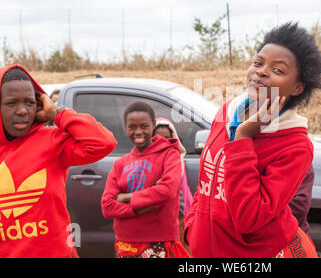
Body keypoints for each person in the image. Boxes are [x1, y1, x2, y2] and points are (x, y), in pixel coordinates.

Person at [183, 22, 321, 258]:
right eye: (258, 63)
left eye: (278, 70)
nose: (261, 71)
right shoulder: (226, 112)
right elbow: (206, 183)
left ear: (297, 87)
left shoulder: (296, 145)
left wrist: (243, 137)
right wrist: (192, 227)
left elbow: (250, 219)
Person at [0, 64, 117, 258]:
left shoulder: (51, 141)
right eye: (11, 103)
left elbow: (103, 142)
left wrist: (56, 112)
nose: (22, 111)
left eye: (29, 102)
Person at [101, 101, 190, 258]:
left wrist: (127, 197)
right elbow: (107, 207)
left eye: (144, 126)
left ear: (153, 125)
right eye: (132, 127)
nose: (138, 132)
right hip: (125, 245)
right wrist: (137, 209)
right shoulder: (120, 164)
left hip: (159, 242)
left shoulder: (169, 155)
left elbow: (167, 191)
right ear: (125, 127)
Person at [153, 118, 193, 252]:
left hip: (179, 215)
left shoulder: (177, 159)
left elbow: (183, 191)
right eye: (158, 138)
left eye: (167, 138)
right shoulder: (147, 161)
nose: (163, 142)